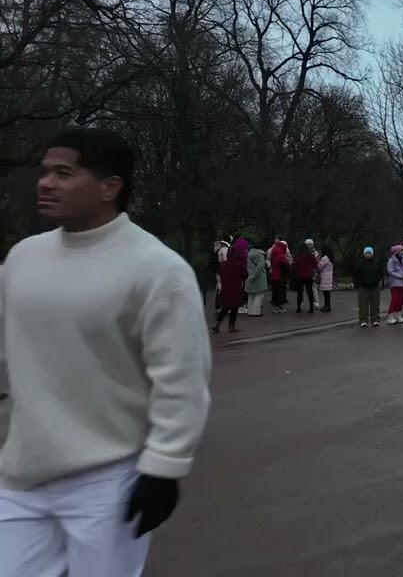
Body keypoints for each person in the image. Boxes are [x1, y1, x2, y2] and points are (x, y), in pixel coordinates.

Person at [0, 126, 211, 576]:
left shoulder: (157, 270)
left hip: (109, 480)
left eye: (63, 173)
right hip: (22, 474)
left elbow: (181, 381)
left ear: (109, 187)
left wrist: (164, 469)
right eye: (45, 172)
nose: (46, 183)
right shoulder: (23, 258)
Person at [212, 238, 249, 334]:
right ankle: (231, 326)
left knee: (225, 307)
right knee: (234, 308)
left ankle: (217, 324)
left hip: (226, 287)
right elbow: (244, 275)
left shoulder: (224, 265)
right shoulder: (241, 264)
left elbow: (220, 273)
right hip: (236, 287)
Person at [352, 246, 382, 327]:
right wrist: (357, 284)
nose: (368, 254)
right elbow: (355, 274)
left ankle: (375, 319)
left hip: (374, 287)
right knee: (363, 305)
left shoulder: (376, 262)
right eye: (367, 253)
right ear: (364, 254)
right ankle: (363, 320)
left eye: (370, 253)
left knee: (375, 305)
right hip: (363, 287)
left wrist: (377, 280)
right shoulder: (360, 263)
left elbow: (380, 272)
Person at [292, 239, 318, 314]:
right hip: (309, 275)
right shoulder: (310, 255)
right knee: (309, 291)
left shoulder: (298, 255)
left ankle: (299, 307)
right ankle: (311, 307)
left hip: (299, 275)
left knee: (300, 292)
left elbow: (295, 264)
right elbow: (315, 265)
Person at [244, 241, 269, 316]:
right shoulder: (260, 255)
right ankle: (256, 312)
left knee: (251, 294)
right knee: (259, 295)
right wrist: (254, 275)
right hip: (259, 277)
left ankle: (250, 311)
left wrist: (251, 276)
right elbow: (260, 266)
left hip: (249, 274)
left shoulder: (249, 253)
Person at [386, 245, 403, 324]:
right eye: (401, 251)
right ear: (397, 251)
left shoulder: (402, 260)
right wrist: (401, 276)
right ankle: (390, 316)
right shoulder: (391, 261)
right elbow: (390, 272)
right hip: (396, 283)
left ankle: (398, 315)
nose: (402, 252)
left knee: (401, 300)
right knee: (395, 300)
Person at [268, 239, 291, 313]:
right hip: (280, 276)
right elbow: (287, 266)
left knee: (275, 292)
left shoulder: (273, 255)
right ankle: (279, 307)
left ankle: (276, 306)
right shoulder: (282, 256)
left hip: (274, 275)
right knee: (281, 292)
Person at [316, 247, 335, 313]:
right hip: (329, 276)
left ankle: (327, 306)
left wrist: (318, 259)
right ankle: (327, 306)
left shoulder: (325, 258)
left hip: (324, 277)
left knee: (326, 293)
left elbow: (319, 266)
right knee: (327, 293)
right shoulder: (331, 258)